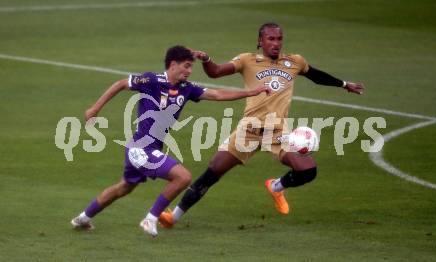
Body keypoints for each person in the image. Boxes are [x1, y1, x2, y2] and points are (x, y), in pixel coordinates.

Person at [159, 22, 364, 227]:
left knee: (308, 170)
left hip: (278, 132)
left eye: (279, 39)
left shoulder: (295, 62)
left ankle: (276, 186)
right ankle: (173, 216)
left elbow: (316, 76)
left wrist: (345, 85)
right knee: (213, 171)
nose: (276, 43)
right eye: (271, 39)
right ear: (260, 41)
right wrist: (207, 59)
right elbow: (216, 72)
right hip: (248, 131)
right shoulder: (247, 60)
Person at [70, 45, 269, 237]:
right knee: (183, 177)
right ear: (173, 64)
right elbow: (121, 84)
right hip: (141, 147)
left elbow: (217, 94)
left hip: (147, 148)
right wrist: (95, 109)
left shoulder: (187, 88)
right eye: (186, 66)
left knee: (123, 188)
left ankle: (82, 218)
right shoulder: (151, 80)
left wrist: (250, 93)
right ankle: (150, 218)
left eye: (191, 67)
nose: (190, 71)